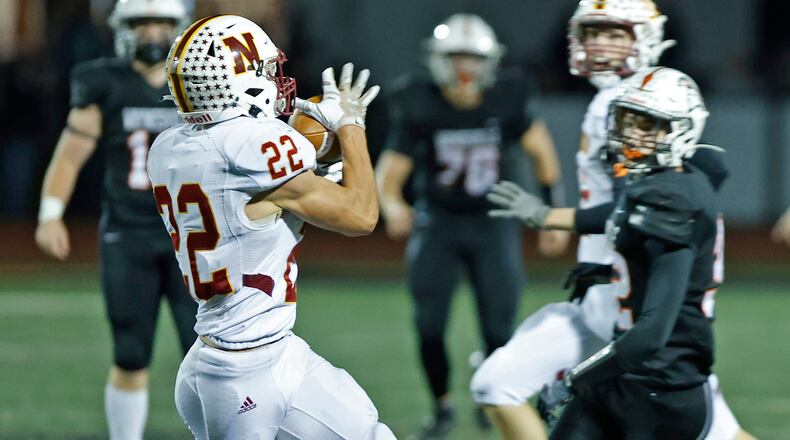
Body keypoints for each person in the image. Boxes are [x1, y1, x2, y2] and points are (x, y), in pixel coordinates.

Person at [472, 2, 754, 440]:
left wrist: (553, 216)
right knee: (496, 383)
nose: (600, 43)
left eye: (616, 33)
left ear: (647, 37)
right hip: (612, 296)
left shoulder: (639, 100)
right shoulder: (626, 98)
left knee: (498, 384)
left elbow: (656, 197)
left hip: (630, 305)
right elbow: (710, 170)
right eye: (593, 31)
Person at [147, 14, 395, 439]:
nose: (278, 82)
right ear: (236, 80)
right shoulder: (250, 148)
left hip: (265, 353)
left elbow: (258, 212)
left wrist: (314, 175)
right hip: (241, 371)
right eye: (265, 71)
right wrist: (351, 126)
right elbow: (361, 216)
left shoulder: (169, 147)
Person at [375, 13, 568, 439]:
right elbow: (391, 171)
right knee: (428, 323)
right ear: (438, 60)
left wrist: (553, 212)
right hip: (437, 222)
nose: (465, 67)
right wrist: (392, 205)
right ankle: (442, 406)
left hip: (492, 222)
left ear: (490, 62)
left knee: (499, 326)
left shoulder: (508, 96)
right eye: (455, 57)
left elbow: (542, 152)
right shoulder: (418, 100)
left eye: (472, 58)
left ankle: (493, 394)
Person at [34, 1, 196, 438]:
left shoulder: (199, 81)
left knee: (206, 357)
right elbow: (70, 155)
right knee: (129, 351)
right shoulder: (102, 81)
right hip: (128, 232)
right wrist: (51, 213)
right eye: (141, 21)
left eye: (162, 21)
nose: (152, 32)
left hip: (194, 237)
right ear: (122, 28)